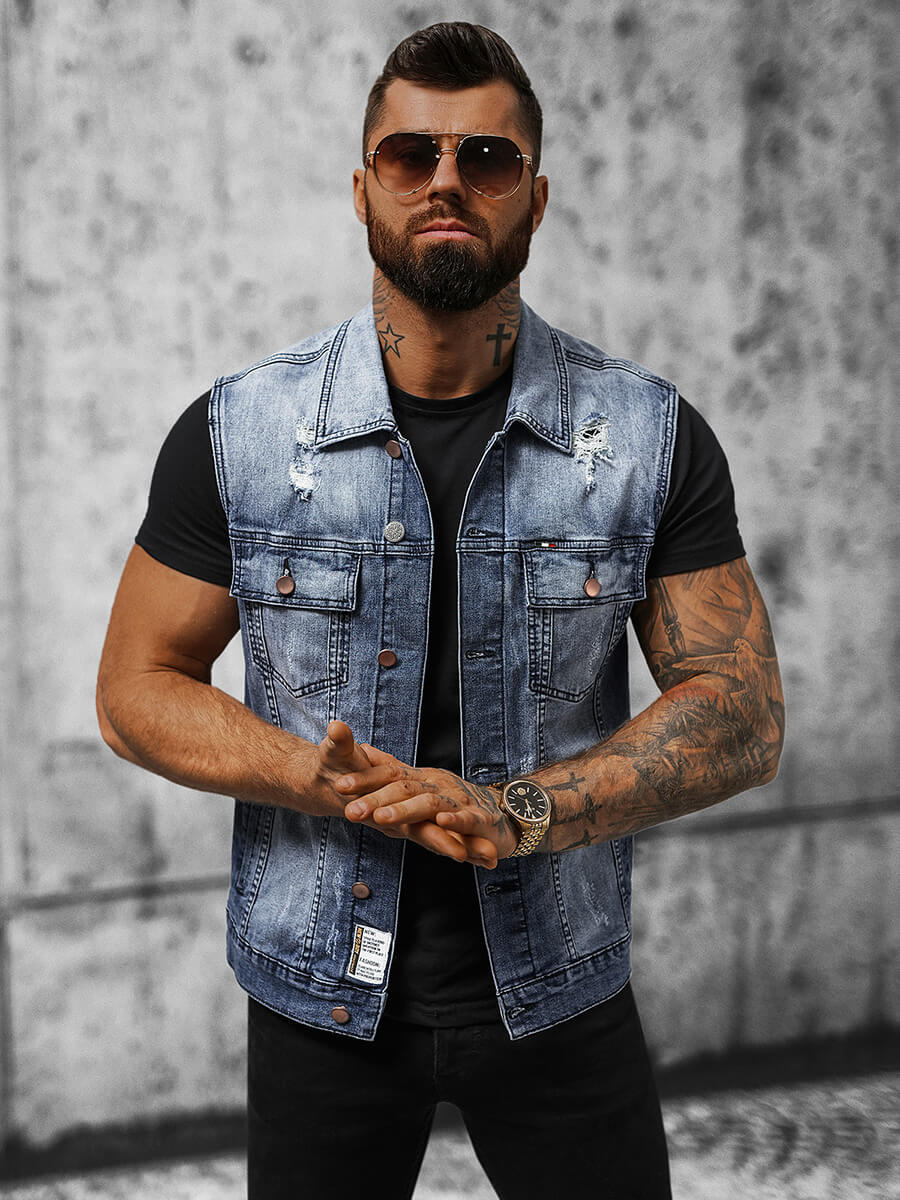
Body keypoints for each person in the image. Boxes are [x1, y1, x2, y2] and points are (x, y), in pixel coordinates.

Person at [97, 21, 784, 1200]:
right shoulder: (242, 434)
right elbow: (134, 690)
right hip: (319, 1000)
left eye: (487, 158)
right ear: (363, 188)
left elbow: (743, 711)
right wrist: (315, 777)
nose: (447, 182)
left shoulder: (645, 438)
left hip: (558, 991)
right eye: (411, 155)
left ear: (537, 197)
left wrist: (521, 812)